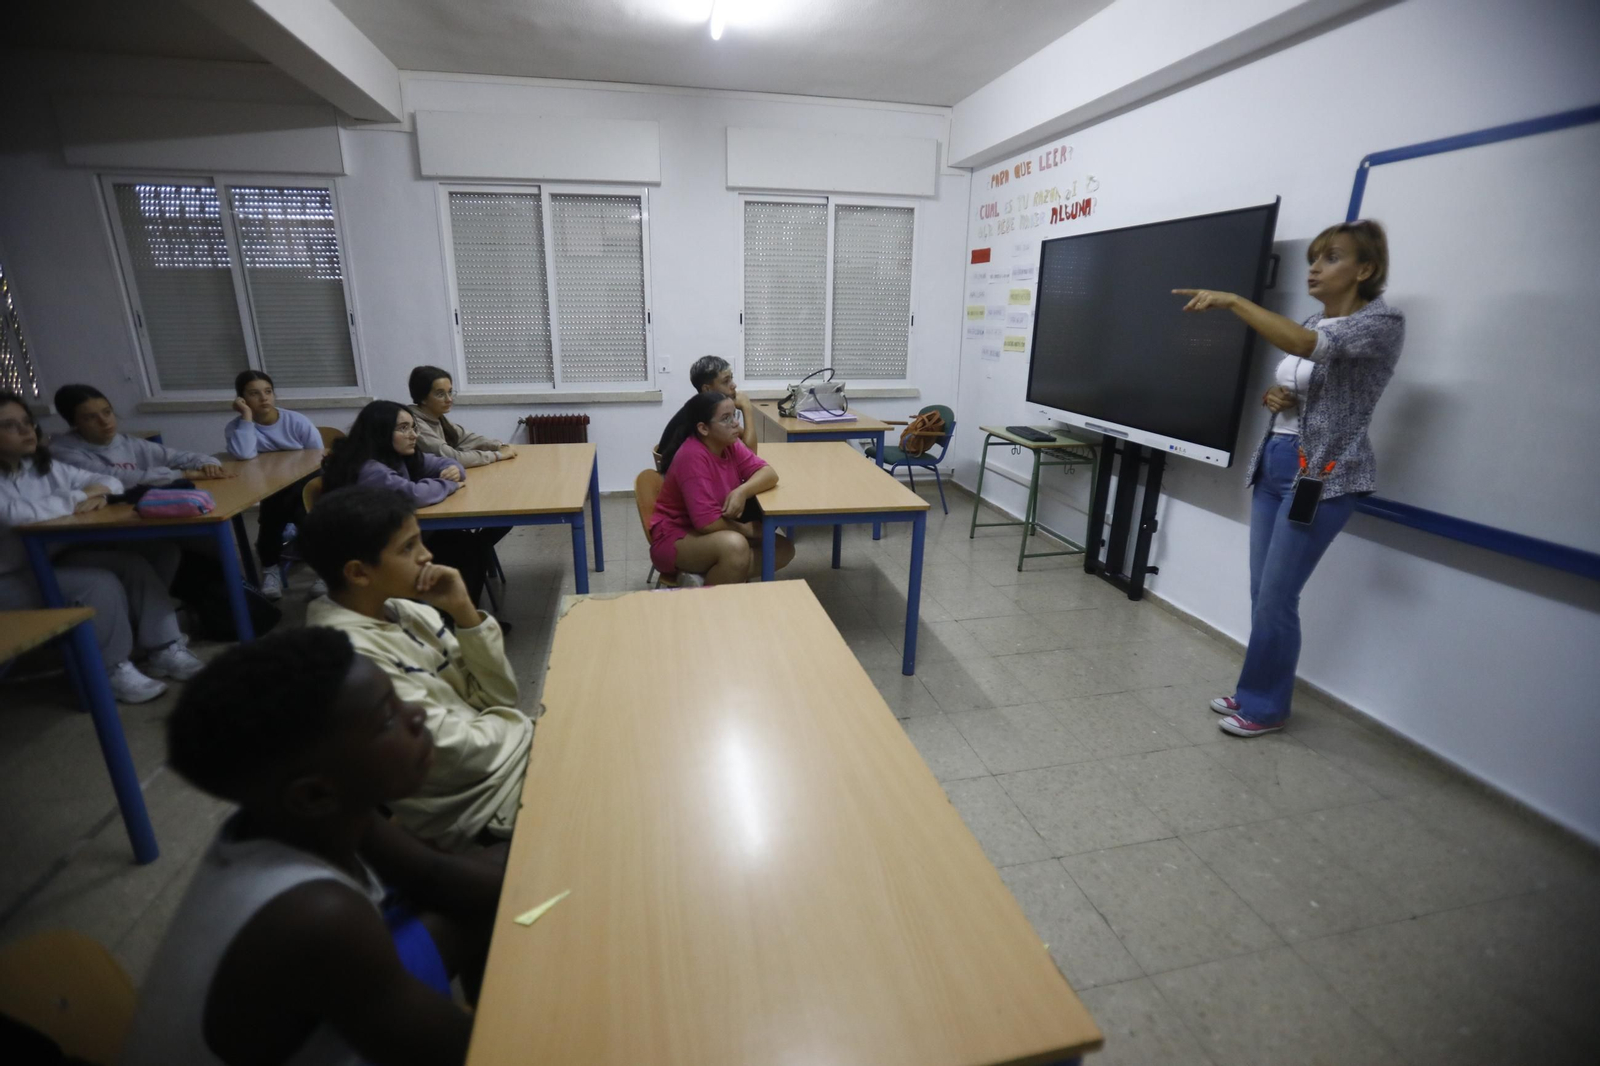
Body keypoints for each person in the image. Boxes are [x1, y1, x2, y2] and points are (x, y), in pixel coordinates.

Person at [120, 627, 502, 1066]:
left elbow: (436, 877)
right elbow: (463, 1053)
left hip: (343, 1004)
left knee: (502, 877)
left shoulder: (316, 812)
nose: (417, 714)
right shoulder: (316, 917)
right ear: (313, 793)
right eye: (387, 719)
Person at [1174, 219, 1404, 738]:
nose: (1316, 269)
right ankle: (1257, 687)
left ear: (1365, 269)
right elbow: (1309, 380)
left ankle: (1266, 707)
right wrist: (1280, 399)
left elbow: (1305, 346)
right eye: (1315, 260)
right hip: (1277, 461)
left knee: (1279, 597)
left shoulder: (1381, 324)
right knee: (1263, 593)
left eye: (1331, 259)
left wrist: (1235, 301)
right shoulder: (1314, 321)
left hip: (1322, 477)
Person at [298, 487, 532, 852]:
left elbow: (500, 695)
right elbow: (451, 752)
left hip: (502, 761)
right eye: (408, 547)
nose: (427, 556)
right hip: (478, 806)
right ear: (359, 573)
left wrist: (466, 615)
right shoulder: (350, 659)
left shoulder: (407, 609)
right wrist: (525, 729)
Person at [0, 392, 203, 704]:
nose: (27, 431)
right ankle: (110, 668)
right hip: (9, 579)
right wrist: (78, 497)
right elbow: (17, 514)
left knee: (136, 562)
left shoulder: (38, 465)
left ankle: (164, 646)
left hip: (49, 557)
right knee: (99, 583)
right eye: (11, 426)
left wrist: (94, 490)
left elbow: (107, 481)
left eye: (27, 422)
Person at [322, 401, 502, 608]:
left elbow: (445, 463)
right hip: (372, 552)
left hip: (394, 536)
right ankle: (456, 617)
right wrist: (447, 483)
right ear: (379, 432)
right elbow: (414, 495)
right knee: (470, 548)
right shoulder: (370, 469)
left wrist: (453, 470)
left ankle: (458, 614)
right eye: (403, 428)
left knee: (470, 545)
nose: (413, 434)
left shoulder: (398, 455)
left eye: (413, 427)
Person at [649, 390, 793, 585]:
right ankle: (709, 604)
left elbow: (769, 474)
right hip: (677, 535)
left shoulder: (729, 444)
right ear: (703, 428)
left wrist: (741, 491)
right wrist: (748, 530)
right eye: (725, 419)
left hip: (713, 530)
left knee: (783, 549)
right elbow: (706, 522)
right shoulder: (692, 456)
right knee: (736, 546)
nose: (735, 423)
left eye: (735, 415)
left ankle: (704, 576)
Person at [224, 370, 325, 601]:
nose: (264, 398)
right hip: (268, 486)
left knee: (280, 509)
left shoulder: (296, 421)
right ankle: (322, 568)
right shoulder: (237, 427)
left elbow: (318, 459)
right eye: (254, 394)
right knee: (287, 506)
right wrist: (247, 418)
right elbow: (243, 454)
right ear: (241, 400)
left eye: (268, 392)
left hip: (304, 484)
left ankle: (271, 567)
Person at [50, 383, 232, 486]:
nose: (104, 421)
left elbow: (176, 457)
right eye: (90, 417)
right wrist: (182, 475)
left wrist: (207, 463)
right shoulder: (63, 453)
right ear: (73, 422)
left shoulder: (128, 442)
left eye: (107, 412)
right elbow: (112, 478)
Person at [654, 355, 757, 470]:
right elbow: (751, 454)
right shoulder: (702, 415)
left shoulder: (705, 407)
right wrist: (747, 408)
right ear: (707, 389)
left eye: (731, 379)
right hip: (685, 475)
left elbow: (740, 435)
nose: (733, 385)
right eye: (726, 381)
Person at [406, 365, 516, 469]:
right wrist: (497, 455)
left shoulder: (437, 417)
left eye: (450, 392)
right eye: (440, 394)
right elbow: (453, 458)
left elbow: (467, 438)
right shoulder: (414, 424)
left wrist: (499, 446)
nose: (449, 399)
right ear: (422, 398)